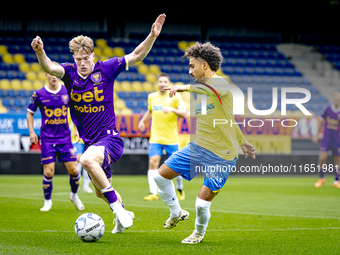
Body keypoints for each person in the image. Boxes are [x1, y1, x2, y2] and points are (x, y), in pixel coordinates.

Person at [31, 13, 166, 231]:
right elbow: (49, 67)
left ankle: (118, 210)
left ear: (93, 56)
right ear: (74, 59)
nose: (82, 63)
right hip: (90, 142)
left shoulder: (107, 68)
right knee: (99, 190)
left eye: (86, 59)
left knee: (85, 161)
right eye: (78, 60)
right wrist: (40, 52)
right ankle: (123, 213)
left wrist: (152, 36)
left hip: (109, 138)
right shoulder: (69, 73)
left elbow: (137, 54)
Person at [153, 42, 256, 244]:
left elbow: (212, 91)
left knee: (201, 204)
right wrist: (243, 142)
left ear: (205, 66)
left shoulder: (221, 85)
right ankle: (176, 212)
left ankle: (198, 233)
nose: (189, 71)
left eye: (192, 66)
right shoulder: (202, 91)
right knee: (160, 177)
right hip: (198, 148)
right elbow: (228, 119)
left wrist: (183, 88)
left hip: (222, 155)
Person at [27, 71, 85, 212]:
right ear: (46, 75)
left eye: (56, 74)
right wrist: (31, 132)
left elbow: (75, 110)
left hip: (65, 138)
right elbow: (30, 113)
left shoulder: (66, 90)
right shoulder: (39, 94)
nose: (53, 77)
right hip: (47, 139)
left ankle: (74, 195)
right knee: (49, 172)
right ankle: (47, 202)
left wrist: (77, 129)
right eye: (50, 74)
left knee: (74, 170)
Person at [138, 73, 187, 201]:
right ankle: (153, 193)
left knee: (176, 166)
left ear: (169, 83)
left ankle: (180, 188)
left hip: (171, 138)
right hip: (155, 137)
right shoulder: (152, 97)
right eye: (161, 82)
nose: (163, 84)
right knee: (153, 162)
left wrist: (172, 110)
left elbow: (184, 113)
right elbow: (150, 111)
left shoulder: (175, 96)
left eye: (165, 82)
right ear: (158, 83)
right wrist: (143, 121)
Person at [313, 92, 340, 188]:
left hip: (336, 138)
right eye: (335, 98)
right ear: (333, 99)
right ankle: (321, 178)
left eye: (338, 98)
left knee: (337, 160)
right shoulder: (328, 110)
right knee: (322, 158)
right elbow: (321, 120)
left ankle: (336, 181)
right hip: (327, 137)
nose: (336, 100)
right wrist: (317, 135)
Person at [68, 110, 93, 193]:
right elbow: (76, 119)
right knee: (77, 160)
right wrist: (76, 130)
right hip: (76, 139)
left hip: (87, 139)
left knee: (88, 161)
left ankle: (86, 185)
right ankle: (76, 183)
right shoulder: (75, 107)